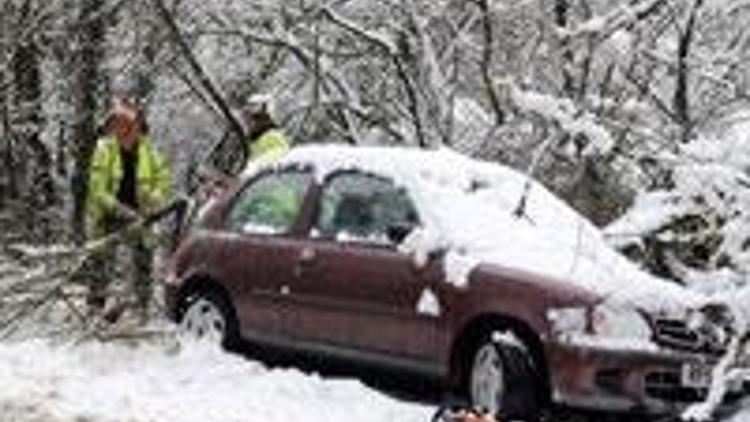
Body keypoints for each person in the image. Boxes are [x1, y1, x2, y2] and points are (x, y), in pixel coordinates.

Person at [86, 97, 170, 321]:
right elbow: (97, 190)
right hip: (110, 214)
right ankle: (95, 307)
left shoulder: (150, 151)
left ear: (136, 125)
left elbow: (163, 182)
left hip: (142, 215)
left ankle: (141, 307)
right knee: (101, 259)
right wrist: (121, 209)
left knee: (144, 257)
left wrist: (153, 198)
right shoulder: (104, 149)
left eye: (126, 123)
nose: (120, 128)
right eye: (116, 123)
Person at [241, 94, 289, 165]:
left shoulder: (273, 139)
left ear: (267, 119)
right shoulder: (254, 141)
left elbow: (263, 169)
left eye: (256, 118)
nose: (249, 123)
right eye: (246, 118)